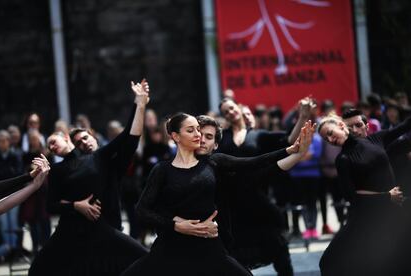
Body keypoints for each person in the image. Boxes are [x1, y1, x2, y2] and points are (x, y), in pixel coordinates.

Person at [121, 113, 315, 276]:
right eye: (194, 130)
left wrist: (291, 151)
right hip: (172, 246)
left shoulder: (215, 163)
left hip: (211, 242)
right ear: (175, 136)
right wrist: (176, 225)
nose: (199, 136)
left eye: (204, 134)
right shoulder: (163, 170)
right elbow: (143, 209)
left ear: (215, 144)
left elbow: (256, 163)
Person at [28, 80, 150, 276]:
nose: (51, 146)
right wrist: (76, 205)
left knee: (143, 260)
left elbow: (129, 136)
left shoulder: (100, 158)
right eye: (49, 145)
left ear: (65, 137)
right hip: (73, 235)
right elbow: (51, 205)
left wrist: (139, 103)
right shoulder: (58, 169)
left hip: (107, 231)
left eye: (85, 138)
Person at [216, 97, 313, 275]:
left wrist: (303, 116)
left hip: (259, 197)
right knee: (238, 257)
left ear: (238, 107)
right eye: (225, 112)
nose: (230, 112)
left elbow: (288, 141)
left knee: (279, 250)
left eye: (231, 108)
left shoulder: (258, 135)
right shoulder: (222, 138)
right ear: (224, 116)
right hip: (234, 204)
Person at [318, 114, 408, 276]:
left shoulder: (375, 140)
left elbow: (403, 126)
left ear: (340, 125)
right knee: (330, 261)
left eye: (330, 133)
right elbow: (351, 196)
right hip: (367, 216)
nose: (330, 140)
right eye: (326, 139)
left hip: (393, 212)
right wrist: (385, 196)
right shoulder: (343, 159)